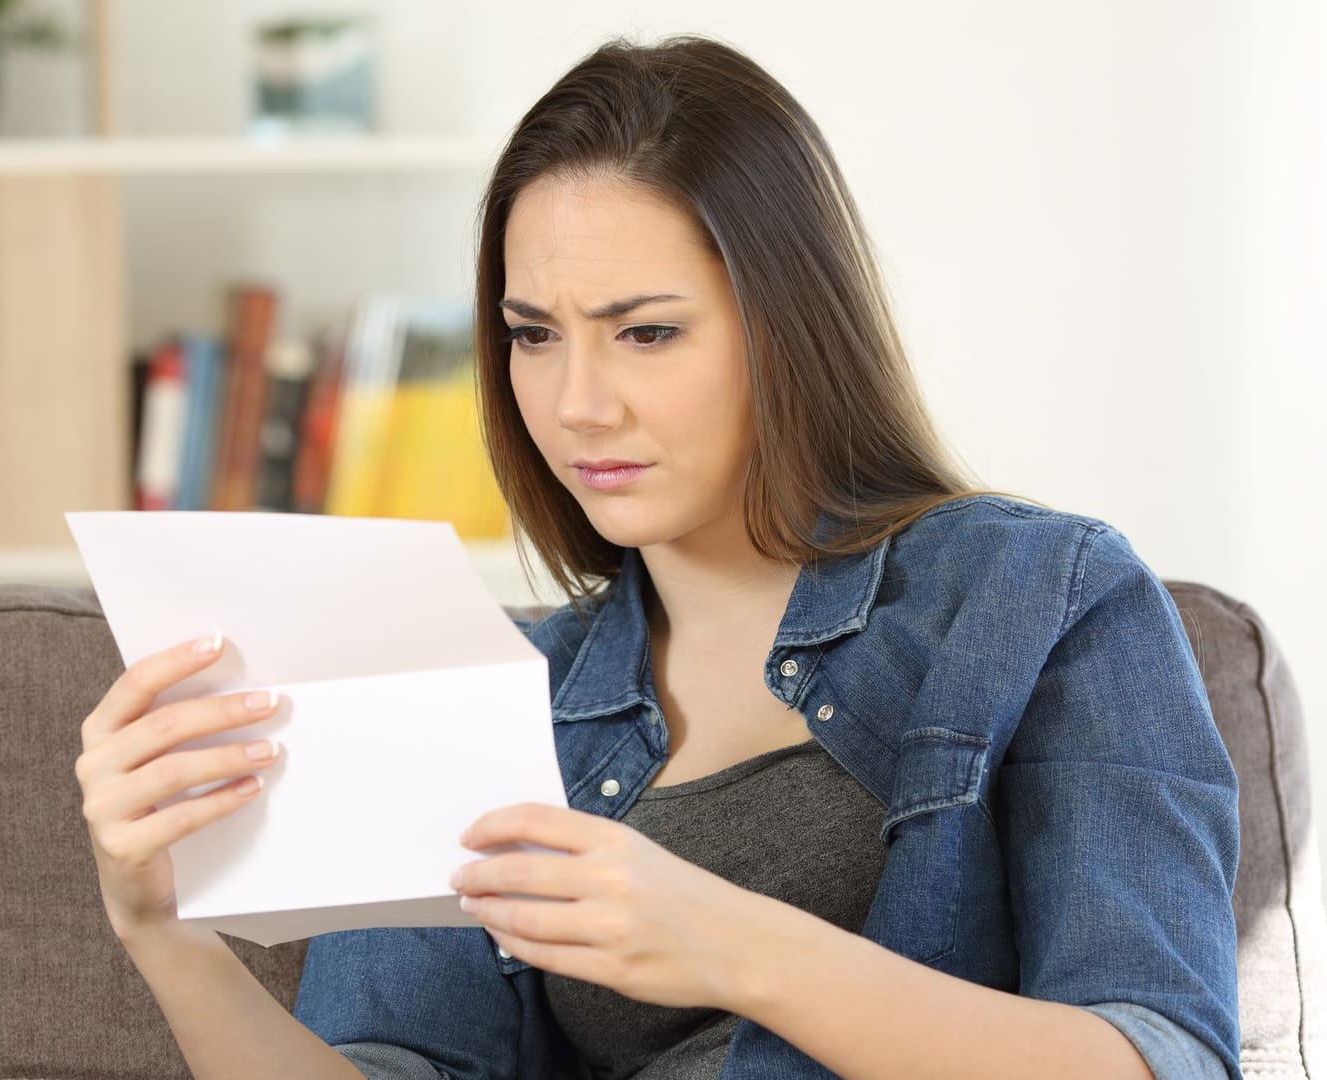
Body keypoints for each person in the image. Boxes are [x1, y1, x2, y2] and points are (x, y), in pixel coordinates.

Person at [72, 34, 1241, 1080]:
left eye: (645, 332)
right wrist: (169, 941)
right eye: (534, 336)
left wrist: (735, 945)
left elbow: (1161, 1056)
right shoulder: (479, 688)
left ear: (790, 324)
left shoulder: (1041, 601)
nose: (578, 405)